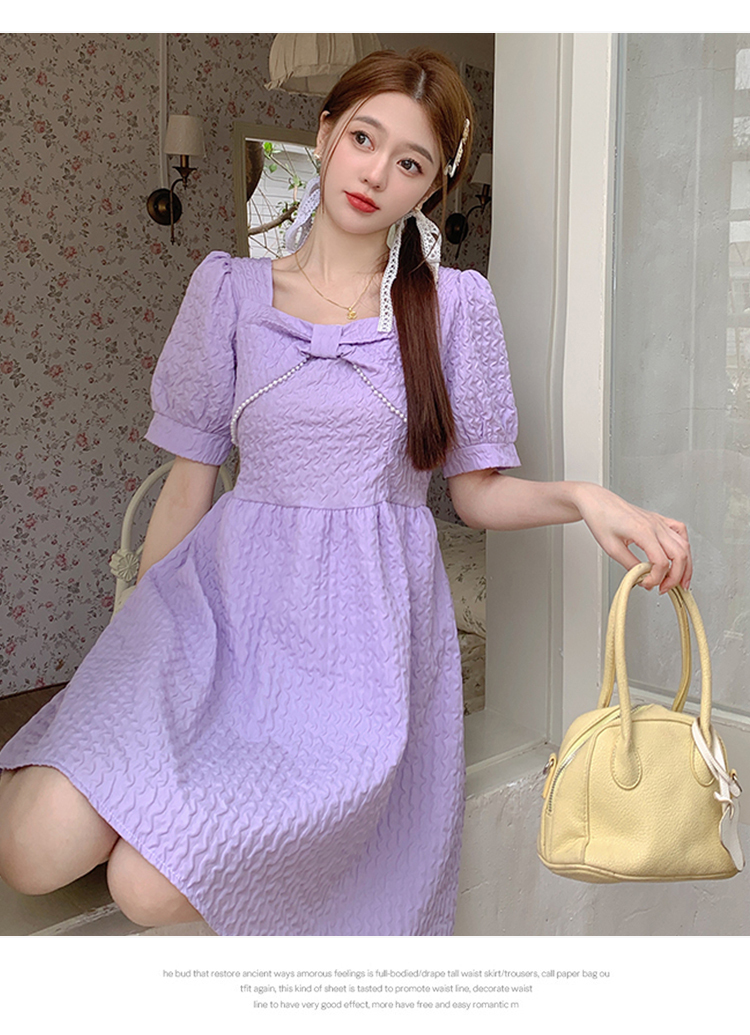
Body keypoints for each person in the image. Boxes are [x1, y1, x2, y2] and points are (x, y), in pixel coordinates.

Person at [0, 48, 691, 937]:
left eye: (410, 162)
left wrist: (588, 498)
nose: (375, 173)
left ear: (431, 187)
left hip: (350, 652)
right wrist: (137, 650)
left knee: (145, 885)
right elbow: (187, 487)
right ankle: (124, 770)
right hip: (215, 612)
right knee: (31, 852)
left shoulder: (452, 309)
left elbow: (477, 497)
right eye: (364, 138)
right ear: (325, 134)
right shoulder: (227, 291)